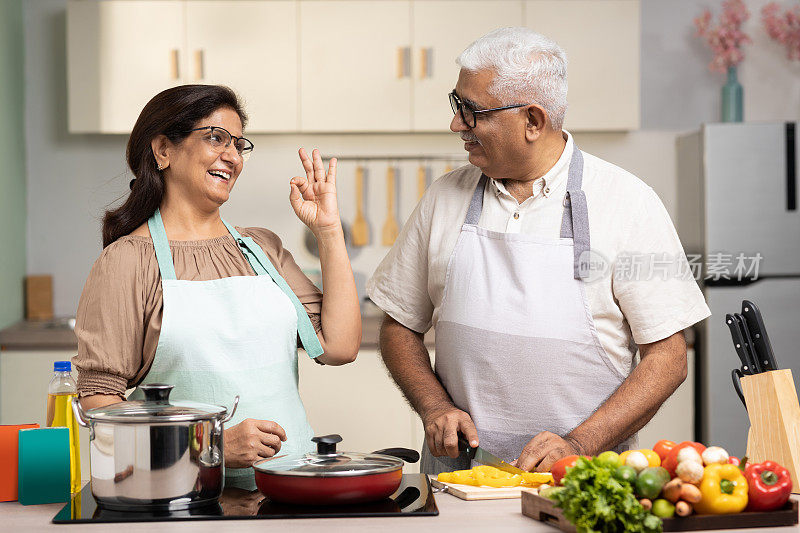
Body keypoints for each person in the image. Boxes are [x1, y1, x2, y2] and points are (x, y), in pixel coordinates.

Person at [367, 27, 711, 475]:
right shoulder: (444, 197)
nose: (456, 124)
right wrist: (433, 406)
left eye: (471, 111)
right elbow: (398, 325)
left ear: (533, 120)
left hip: (586, 482)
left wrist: (579, 443)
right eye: (457, 105)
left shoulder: (628, 201)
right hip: (459, 481)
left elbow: (668, 357)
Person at [73, 84, 361, 487]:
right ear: (163, 150)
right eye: (215, 138)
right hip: (186, 497)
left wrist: (329, 231)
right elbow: (99, 402)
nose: (232, 156)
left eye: (238, 144)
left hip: (290, 488)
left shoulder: (262, 248)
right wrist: (209, 446)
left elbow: (340, 347)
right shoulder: (127, 262)